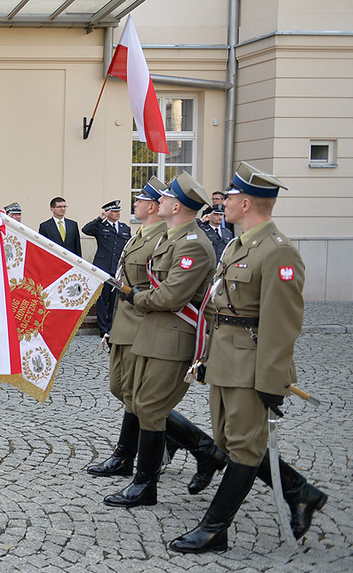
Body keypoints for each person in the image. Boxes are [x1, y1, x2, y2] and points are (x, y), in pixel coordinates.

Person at [169, 163, 327, 554]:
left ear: (245, 202)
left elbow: (282, 324)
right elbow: (218, 308)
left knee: (242, 448)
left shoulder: (278, 252)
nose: (223, 204)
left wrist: (272, 382)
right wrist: (205, 355)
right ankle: (299, 490)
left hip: (250, 366)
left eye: (230, 198)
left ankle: (214, 528)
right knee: (231, 441)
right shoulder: (239, 244)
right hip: (225, 361)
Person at [87, 179, 226, 498]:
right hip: (149, 327)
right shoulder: (170, 237)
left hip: (169, 331)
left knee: (147, 404)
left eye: (163, 197)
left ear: (175, 206)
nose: (156, 200)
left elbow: (170, 296)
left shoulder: (190, 242)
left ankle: (156, 475)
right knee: (138, 399)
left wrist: (138, 298)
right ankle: (153, 471)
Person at [81, 200, 132, 337]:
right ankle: (103, 329)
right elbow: (85, 230)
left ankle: (112, 326)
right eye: (114, 211)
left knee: (114, 298)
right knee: (103, 299)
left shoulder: (125, 228)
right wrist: (100, 218)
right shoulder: (99, 227)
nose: (118, 214)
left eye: (118, 211)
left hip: (116, 268)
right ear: (108, 212)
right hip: (103, 268)